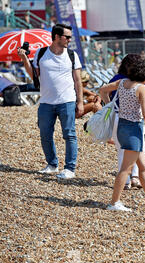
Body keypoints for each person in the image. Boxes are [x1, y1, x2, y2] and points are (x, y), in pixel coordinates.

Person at [98, 57, 145, 212]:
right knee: (126, 169)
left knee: (143, 166)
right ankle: (114, 203)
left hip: (122, 126)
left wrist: (110, 106)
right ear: (144, 73)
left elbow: (102, 90)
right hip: (134, 129)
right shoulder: (140, 88)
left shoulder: (122, 83)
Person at [18, 23, 83, 179]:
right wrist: (24, 58)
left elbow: (78, 81)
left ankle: (69, 168)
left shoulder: (72, 55)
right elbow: (34, 75)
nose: (69, 39)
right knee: (45, 134)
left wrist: (80, 102)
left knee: (70, 135)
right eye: (67, 37)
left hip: (67, 101)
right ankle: (52, 164)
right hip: (46, 102)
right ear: (56, 37)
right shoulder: (41, 53)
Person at [102, 54, 145, 190]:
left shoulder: (117, 80)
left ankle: (126, 181)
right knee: (139, 149)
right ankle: (135, 178)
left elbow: (103, 91)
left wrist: (110, 105)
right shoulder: (138, 82)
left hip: (117, 116)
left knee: (121, 149)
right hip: (134, 118)